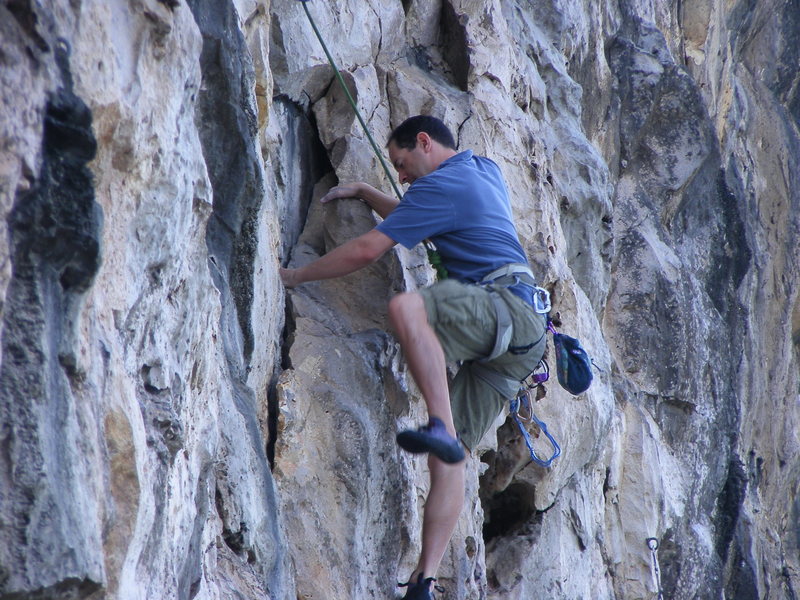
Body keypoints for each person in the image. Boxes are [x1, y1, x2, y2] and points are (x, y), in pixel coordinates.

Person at [279, 115, 547, 599]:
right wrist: (366, 191)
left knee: (407, 308)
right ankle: (424, 581)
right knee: (451, 462)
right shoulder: (484, 170)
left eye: (401, 163)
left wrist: (294, 277)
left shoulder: (439, 189)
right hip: (527, 335)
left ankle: (439, 426)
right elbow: (419, 215)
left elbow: (366, 250)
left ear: (423, 142)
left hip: (500, 307)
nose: (400, 176)